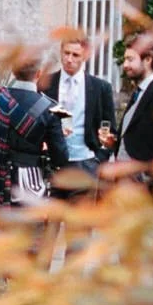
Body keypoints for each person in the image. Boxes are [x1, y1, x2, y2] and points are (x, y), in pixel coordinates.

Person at [0, 44, 71, 233]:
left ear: (14, 71)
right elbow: (61, 158)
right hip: (30, 186)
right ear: (39, 73)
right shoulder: (50, 110)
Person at [40, 29, 117, 195]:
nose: (69, 59)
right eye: (66, 53)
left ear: (85, 56)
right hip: (52, 165)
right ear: (61, 52)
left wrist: (99, 158)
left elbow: (110, 128)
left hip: (86, 163)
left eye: (75, 55)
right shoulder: (45, 83)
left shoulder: (100, 88)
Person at [107, 32, 153, 168]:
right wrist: (114, 142)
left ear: (147, 60)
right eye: (125, 60)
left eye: (130, 59)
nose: (125, 65)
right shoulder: (139, 91)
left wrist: (146, 175)